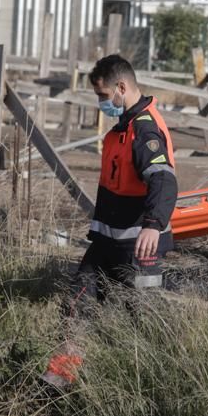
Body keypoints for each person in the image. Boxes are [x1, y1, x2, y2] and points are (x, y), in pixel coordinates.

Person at [41, 54, 178, 389]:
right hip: (105, 243)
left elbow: (164, 180)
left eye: (103, 96)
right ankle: (57, 385)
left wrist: (153, 223)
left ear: (121, 87)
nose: (101, 103)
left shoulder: (145, 129)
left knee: (142, 320)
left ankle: (147, 393)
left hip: (138, 246)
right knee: (77, 306)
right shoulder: (121, 130)